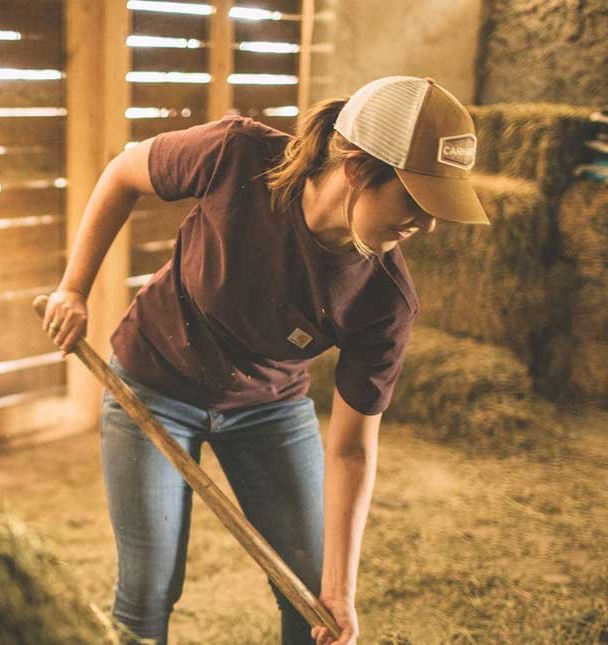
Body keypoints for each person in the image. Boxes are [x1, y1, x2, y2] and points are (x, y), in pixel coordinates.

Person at [39, 75, 490, 645]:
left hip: (267, 408)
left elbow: (351, 448)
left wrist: (341, 592)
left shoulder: (385, 297)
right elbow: (123, 172)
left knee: (313, 600)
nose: (427, 224)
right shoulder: (236, 155)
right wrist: (73, 288)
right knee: (149, 588)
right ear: (355, 167)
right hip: (153, 381)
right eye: (415, 200)